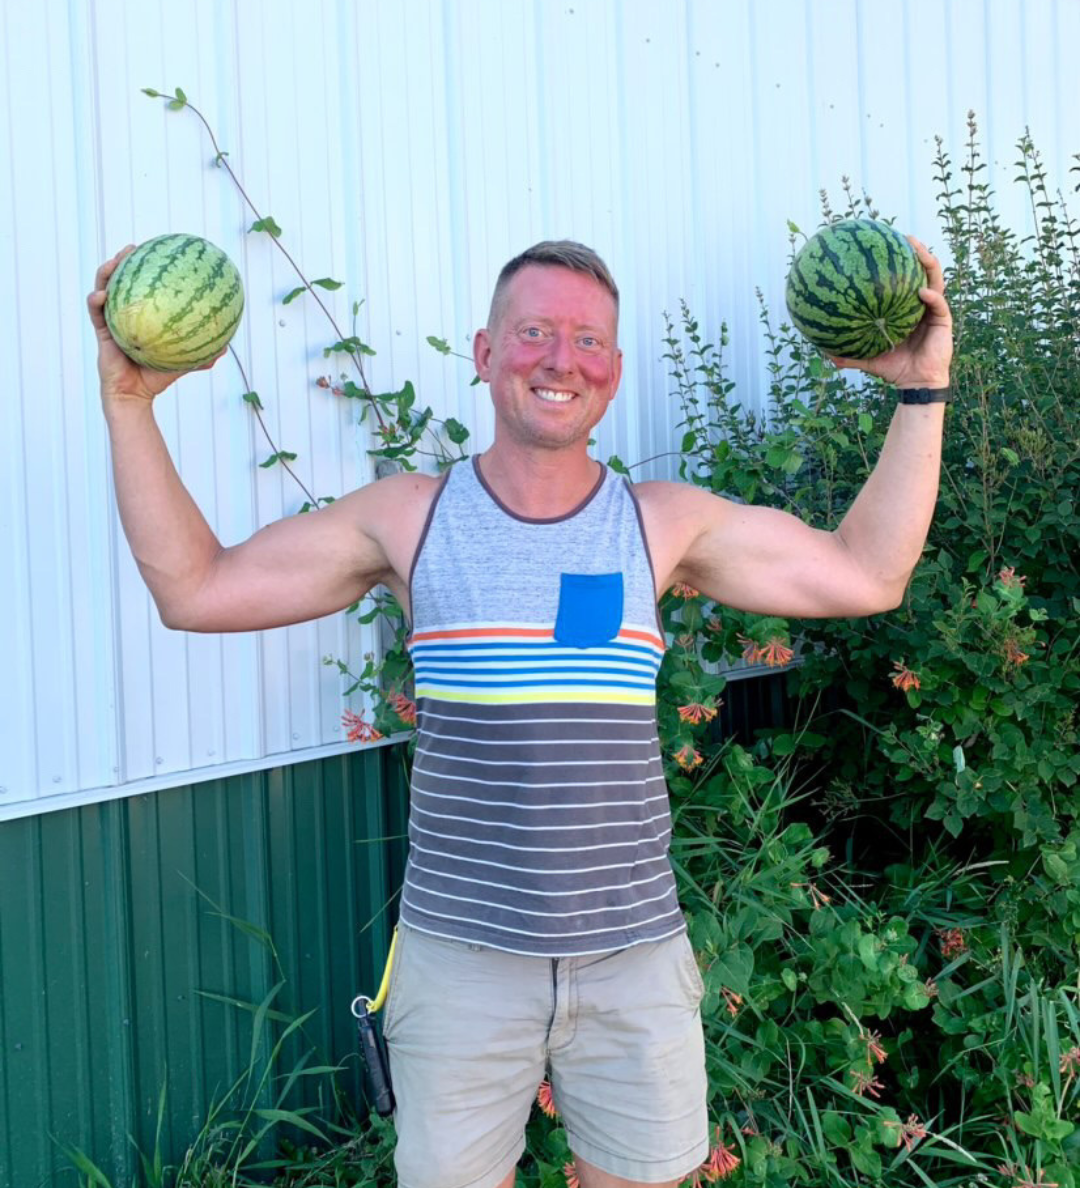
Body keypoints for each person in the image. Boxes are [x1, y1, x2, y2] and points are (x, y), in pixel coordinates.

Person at [87, 236, 952, 1188]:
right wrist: (129, 405)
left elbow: (869, 573)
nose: (559, 358)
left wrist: (920, 391)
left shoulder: (661, 525)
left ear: (614, 373)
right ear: (485, 352)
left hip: (633, 961)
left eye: (587, 340)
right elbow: (197, 590)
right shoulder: (409, 517)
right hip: (461, 963)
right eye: (533, 331)